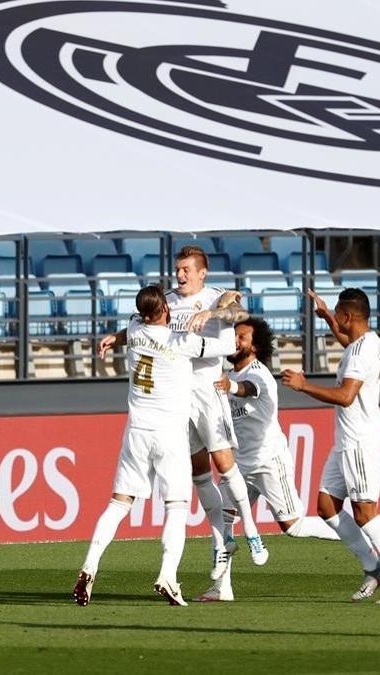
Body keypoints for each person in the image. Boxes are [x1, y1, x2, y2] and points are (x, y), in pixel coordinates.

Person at [98, 245, 266, 583]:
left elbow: (240, 314)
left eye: (187, 269)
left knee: (223, 462)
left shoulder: (219, 296)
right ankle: (223, 540)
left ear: (202, 272)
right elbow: (140, 326)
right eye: (178, 269)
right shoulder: (169, 301)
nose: (181, 275)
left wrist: (213, 314)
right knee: (200, 474)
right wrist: (113, 340)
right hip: (176, 396)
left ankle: (251, 530)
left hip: (208, 390)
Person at [75, 284, 240, 607]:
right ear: (164, 309)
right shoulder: (181, 342)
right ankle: (167, 575)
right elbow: (228, 344)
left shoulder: (135, 329)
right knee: (176, 506)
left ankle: (89, 565)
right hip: (169, 434)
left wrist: (116, 337)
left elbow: (133, 324)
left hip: (136, 430)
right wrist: (224, 309)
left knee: (119, 503)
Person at [281, 287, 380, 604]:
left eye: (339, 316)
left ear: (349, 316)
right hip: (348, 441)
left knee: (365, 512)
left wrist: (303, 386)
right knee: (327, 506)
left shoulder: (359, 352)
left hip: (360, 441)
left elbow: (346, 396)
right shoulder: (366, 342)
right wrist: (328, 316)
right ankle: (374, 567)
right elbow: (347, 343)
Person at [199, 317, 340, 602]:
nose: (235, 341)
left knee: (293, 527)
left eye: (242, 337)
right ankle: (222, 588)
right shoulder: (227, 374)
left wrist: (233, 388)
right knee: (223, 524)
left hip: (268, 461)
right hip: (239, 465)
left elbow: (249, 388)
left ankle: (356, 535)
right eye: (234, 336)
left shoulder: (259, 374)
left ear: (256, 346)